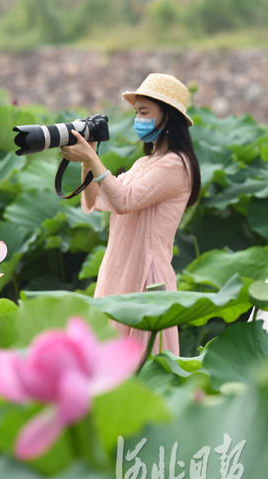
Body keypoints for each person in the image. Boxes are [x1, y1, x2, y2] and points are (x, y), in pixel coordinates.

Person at [61, 73, 201, 357]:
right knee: (108, 359)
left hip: (146, 276)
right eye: (137, 112)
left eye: (144, 112)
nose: (138, 118)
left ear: (168, 116)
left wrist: (93, 159)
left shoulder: (176, 164)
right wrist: (87, 162)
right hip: (118, 267)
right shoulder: (143, 162)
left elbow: (126, 200)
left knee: (144, 363)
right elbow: (97, 200)